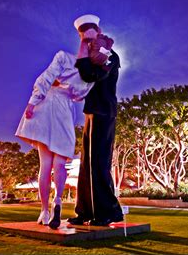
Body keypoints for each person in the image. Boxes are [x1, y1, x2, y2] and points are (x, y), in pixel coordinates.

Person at [15, 14, 115, 229]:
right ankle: (61, 201)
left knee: (46, 164)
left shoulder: (69, 58)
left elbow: (45, 78)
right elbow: (80, 94)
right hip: (65, 110)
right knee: (62, 163)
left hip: (50, 105)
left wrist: (32, 102)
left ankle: (44, 211)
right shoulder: (88, 70)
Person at [67, 14, 124, 226]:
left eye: (89, 39)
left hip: (104, 112)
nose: (87, 43)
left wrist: (83, 51)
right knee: (85, 165)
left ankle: (108, 212)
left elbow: (91, 75)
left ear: (98, 33)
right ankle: (84, 212)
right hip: (91, 112)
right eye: (83, 39)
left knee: (99, 163)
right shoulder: (90, 56)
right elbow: (81, 76)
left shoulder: (110, 55)